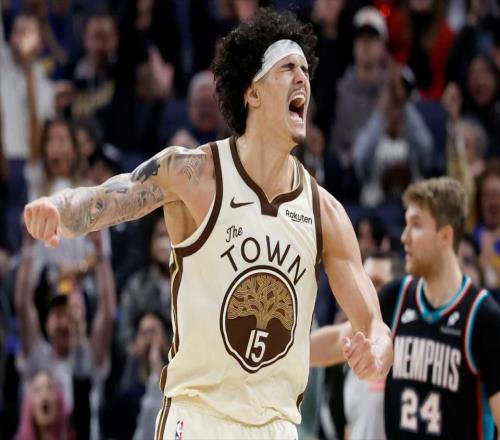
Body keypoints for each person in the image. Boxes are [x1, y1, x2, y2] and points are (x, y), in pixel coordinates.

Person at [23, 9, 393, 439]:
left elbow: (374, 324)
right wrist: (58, 207)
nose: (302, 78)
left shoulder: (324, 211)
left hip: (276, 425)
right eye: (287, 68)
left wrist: (377, 353)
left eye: (305, 70)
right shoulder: (196, 174)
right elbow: (110, 197)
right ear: (252, 92)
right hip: (199, 418)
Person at [311, 177, 500, 439]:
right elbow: (338, 341)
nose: (404, 237)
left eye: (416, 225)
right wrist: (283, 353)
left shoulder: (484, 316)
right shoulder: (397, 296)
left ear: (445, 236)